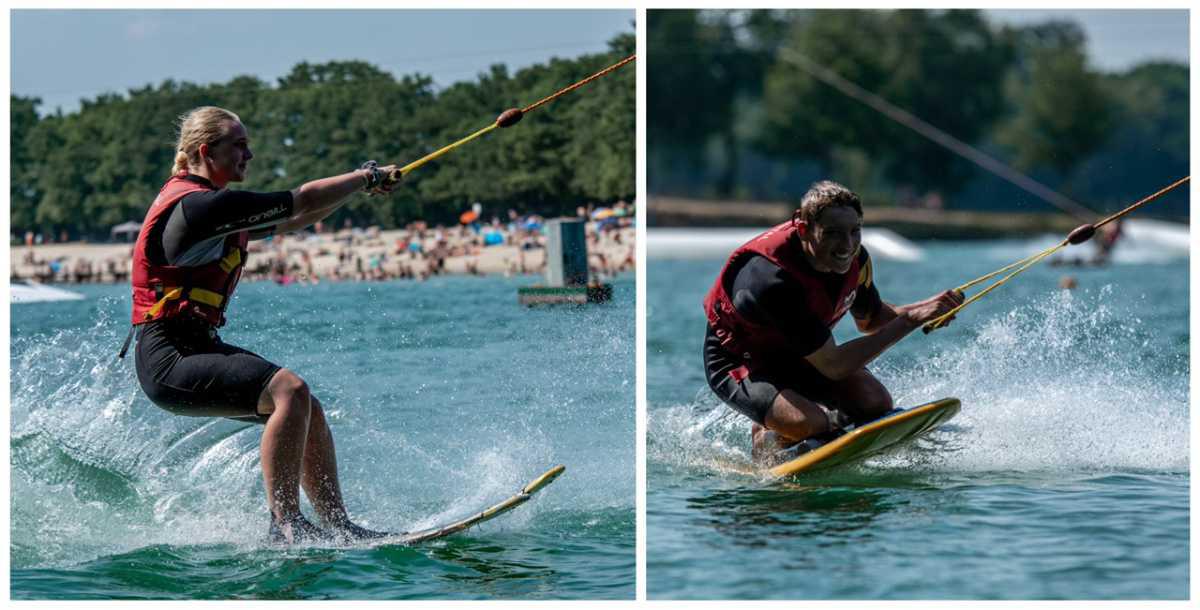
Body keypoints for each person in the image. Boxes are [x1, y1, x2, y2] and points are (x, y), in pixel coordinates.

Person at [123, 106, 400, 544]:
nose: (248, 154)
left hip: (195, 346)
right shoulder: (199, 207)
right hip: (169, 357)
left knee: (304, 407)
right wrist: (366, 176)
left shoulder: (212, 209)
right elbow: (303, 199)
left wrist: (357, 189)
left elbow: (297, 216)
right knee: (288, 391)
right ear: (205, 151)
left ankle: (338, 526)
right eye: (239, 145)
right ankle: (285, 525)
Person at [702, 181, 963, 463]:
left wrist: (929, 308)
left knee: (875, 402)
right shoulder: (770, 280)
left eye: (855, 232)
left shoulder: (856, 259)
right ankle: (773, 435)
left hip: (804, 354)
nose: (847, 245)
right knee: (810, 423)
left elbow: (872, 320)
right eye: (833, 234)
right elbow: (834, 365)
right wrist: (911, 320)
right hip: (742, 362)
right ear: (804, 230)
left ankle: (824, 426)